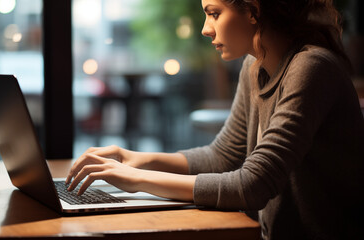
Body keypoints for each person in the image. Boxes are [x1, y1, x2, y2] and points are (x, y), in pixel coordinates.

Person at [66, 0, 364, 239]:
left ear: (253, 10)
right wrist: (136, 159)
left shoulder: (311, 67)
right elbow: (223, 156)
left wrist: (137, 180)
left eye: (214, 14)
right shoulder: (255, 65)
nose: (206, 29)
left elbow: (252, 186)